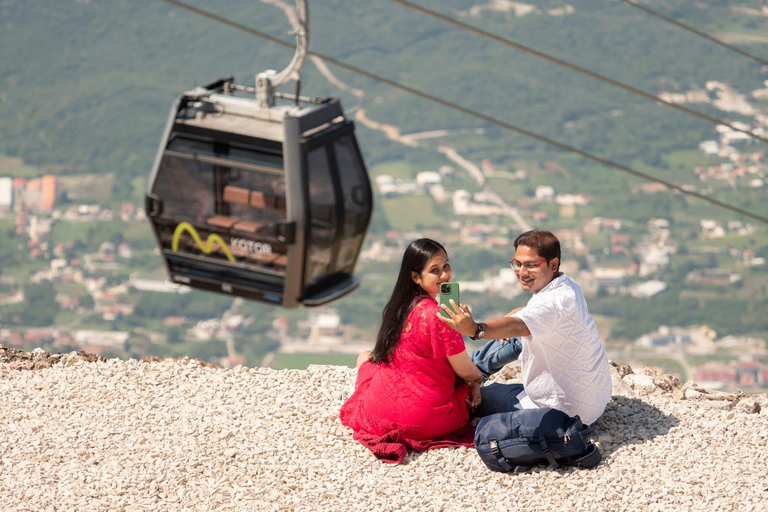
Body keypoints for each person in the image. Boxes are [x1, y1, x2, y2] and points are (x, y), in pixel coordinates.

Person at [439, 229, 612, 426]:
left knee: (475, 398)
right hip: (593, 404)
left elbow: (514, 327)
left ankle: (466, 379)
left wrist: (475, 329)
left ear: (553, 264)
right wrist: (524, 310)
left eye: (531, 265)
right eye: (517, 263)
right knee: (520, 336)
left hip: (561, 412)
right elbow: (537, 317)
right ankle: (472, 372)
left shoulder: (550, 304)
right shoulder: (568, 287)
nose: (521, 272)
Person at [339, 238, 483, 463]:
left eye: (446, 266)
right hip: (427, 421)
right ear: (416, 277)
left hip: (379, 415)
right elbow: (465, 370)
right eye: (435, 270)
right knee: (470, 379)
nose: (445, 275)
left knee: (365, 358)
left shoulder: (398, 309)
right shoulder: (443, 317)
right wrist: (476, 381)